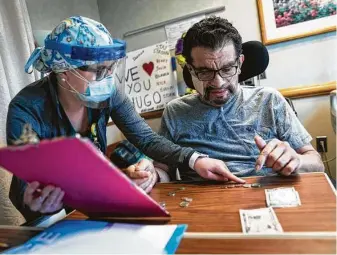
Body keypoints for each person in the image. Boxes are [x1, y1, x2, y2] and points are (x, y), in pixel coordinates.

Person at [7, 16, 245, 222]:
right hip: (52, 217)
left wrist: (194, 159)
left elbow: (146, 138)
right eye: (98, 70)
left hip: (93, 204)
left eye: (111, 68)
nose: (107, 78)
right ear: (63, 70)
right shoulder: (26, 108)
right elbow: (26, 184)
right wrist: (37, 203)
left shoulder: (107, 93)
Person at [128, 16, 324, 183]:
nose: (218, 83)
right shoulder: (175, 112)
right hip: (204, 208)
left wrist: (296, 161)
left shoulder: (269, 100)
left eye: (228, 69)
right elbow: (165, 170)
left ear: (240, 63)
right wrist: (151, 175)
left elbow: (316, 163)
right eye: (204, 71)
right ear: (190, 70)